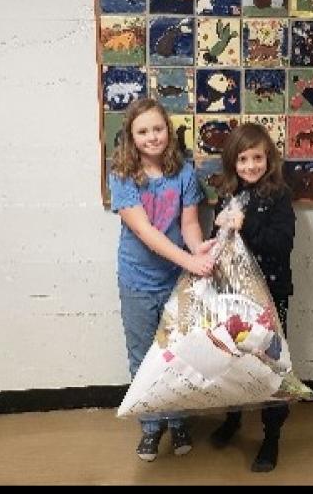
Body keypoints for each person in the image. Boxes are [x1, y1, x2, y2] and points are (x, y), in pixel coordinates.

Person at [109, 98, 215, 462]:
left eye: (158, 129)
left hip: (175, 280)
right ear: (131, 136)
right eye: (143, 131)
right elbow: (146, 232)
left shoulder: (183, 171)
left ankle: (178, 419)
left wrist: (201, 250)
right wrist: (190, 260)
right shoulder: (121, 174)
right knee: (143, 356)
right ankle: (151, 427)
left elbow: (188, 224)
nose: (152, 137)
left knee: (179, 352)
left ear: (168, 131)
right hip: (137, 281)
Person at [210, 122, 296, 472]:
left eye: (256, 158)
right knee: (231, 361)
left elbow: (282, 243)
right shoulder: (227, 193)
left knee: (269, 366)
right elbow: (220, 241)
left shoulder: (278, 196)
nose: (249, 166)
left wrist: (247, 225)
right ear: (233, 162)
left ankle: (271, 436)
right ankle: (233, 420)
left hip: (270, 295)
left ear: (268, 158)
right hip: (233, 295)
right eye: (242, 159)